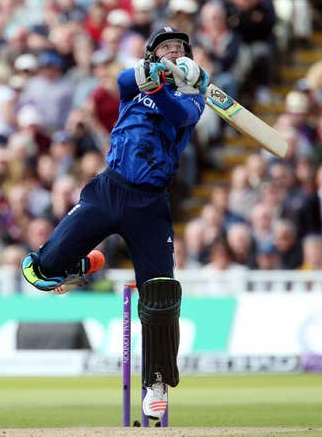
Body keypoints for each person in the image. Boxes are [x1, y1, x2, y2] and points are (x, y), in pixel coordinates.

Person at [21, 27, 208, 421]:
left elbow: (176, 115)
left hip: (150, 204)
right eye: (166, 48)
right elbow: (124, 80)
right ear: (152, 54)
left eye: (179, 49)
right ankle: (79, 265)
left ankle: (156, 381)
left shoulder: (193, 98)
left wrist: (183, 83)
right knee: (39, 270)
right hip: (109, 188)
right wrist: (150, 72)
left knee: (160, 295)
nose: (173, 52)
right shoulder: (133, 82)